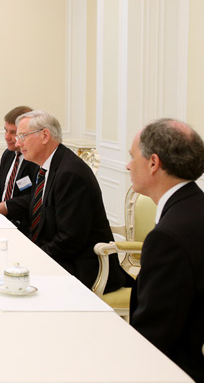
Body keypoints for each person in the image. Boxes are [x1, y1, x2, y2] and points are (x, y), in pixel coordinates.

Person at [14, 110, 128, 292]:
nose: (17, 143)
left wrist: (35, 257)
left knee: (15, 283)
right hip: (63, 255)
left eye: (22, 136)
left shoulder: (70, 173)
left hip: (83, 265)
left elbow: (69, 239)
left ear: (45, 135)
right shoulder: (45, 167)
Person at [126, 118, 204, 381]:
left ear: (153, 163)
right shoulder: (196, 206)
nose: (127, 165)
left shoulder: (167, 238)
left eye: (132, 157)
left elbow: (153, 337)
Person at [0, 105, 39, 233]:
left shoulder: (35, 159)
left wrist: (7, 207)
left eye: (13, 133)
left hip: (23, 226)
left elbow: (37, 198)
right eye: (5, 130)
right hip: (0, 220)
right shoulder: (8, 154)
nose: (6, 137)